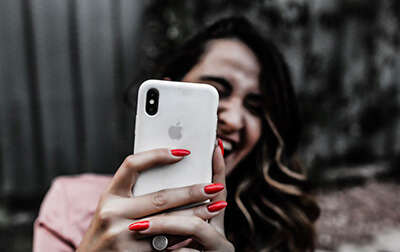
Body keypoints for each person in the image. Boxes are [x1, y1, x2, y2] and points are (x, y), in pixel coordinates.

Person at [33, 16, 320, 252]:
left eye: (255, 107)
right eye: (215, 92)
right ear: (169, 88)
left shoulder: (279, 226)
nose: (233, 119)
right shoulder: (70, 204)